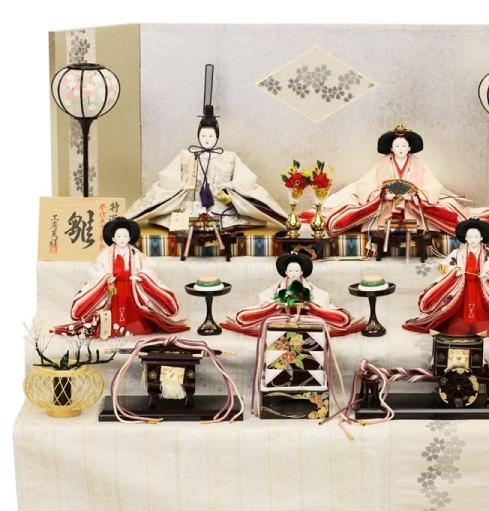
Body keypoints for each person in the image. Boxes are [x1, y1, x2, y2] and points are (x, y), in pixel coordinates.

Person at [124, 104, 287, 230]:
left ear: (217, 137)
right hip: (192, 203)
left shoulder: (229, 156)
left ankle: (287, 220)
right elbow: (167, 176)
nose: (207, 139)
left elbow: (247, 179)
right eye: (203, 135)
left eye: (210, 135)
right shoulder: (187, 155)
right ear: (198, 136)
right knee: (177, 219)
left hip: (220, 204)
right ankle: (126, 219)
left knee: (234, 220)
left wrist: (231, 186)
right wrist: (181, 186)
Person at [323, 124, 489, 236]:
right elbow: (365, 183)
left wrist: (416, 196)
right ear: (391, 148)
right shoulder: (381, 163)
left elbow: (432, 184)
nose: (400, 148)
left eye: (404, 145)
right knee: (355, 209)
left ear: (410, 147)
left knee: (446, 208)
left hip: (413, 205)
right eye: (397, 145)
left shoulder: (419, 163)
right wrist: (382, 194)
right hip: (387, 205)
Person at [53, 217, 189, 337]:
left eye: (125, 236)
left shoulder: (135, 253)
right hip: (113, 288)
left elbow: (150, 265)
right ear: (113, 238)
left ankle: (133, 328)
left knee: (133, 312)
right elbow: (94, 268)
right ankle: (115, 328)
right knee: (113, 311)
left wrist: (142, 276)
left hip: (131, 287)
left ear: (130, 238)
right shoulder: (106, 254)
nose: (122, 239)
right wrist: (105, 278)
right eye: (119, 236)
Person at [403, 219, 489, 337]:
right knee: (457, 325)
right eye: (470, 236)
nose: (473, 239)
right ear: (465, 238)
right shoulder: (457, 253)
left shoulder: (488, 254)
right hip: (462, 289)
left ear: (481, 238)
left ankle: (479, 324)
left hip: (481, 288)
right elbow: (441, 267)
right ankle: (463, 324)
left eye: (476, 236)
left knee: (482, 319)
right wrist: (453, 271)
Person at [221, 253, 364, 337]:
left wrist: (309, 301)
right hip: (282, 310)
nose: (293, 274)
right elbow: (266, 294)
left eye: (296, 271)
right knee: (255, 313)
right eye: (290, 271)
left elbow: (319, 294)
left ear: (302, 272)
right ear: (285, 272)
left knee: (331, 310)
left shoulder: (306, 284)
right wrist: (276, 300)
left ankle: (299, 318)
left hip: (305, 310)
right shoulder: (280, 284)